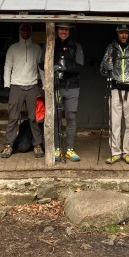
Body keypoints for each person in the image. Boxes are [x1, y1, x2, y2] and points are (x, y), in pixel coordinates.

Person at [39, 23, 84, 162]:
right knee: (56, 118)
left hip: (72, 87)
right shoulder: (50, 44)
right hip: (55, 86)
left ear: (70, 31)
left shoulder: (76, 45)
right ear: (56, 30)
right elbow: (41, 63)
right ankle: (57, 149)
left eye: (66, 29)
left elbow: (80, 66)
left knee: (71, 117)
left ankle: (70, 149)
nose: (64, 32)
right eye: (61, 29)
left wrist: (64, 68)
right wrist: (52, 66)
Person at [1, 24, 44, 159]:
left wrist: (44, 84)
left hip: (32, 85)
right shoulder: (13, 48)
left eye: (28, 29)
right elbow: (7, 67)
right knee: (13, 117)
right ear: (20, 31)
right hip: (16, 85)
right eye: (23, 29)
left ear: (31, 31)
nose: (25, 32)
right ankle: (8, 145)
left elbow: (41, 67)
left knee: (34, 117)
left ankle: (37, 144)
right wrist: (7, 85)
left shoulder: (36, 48)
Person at [100, 25, 129, 165]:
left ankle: (128, 153)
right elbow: (102, 70)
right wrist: (106, 67)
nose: (123, 35)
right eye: (121, 33)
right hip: (115, 88)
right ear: (117, 34)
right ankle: (115, 153)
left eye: (126, 33)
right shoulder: (111, 48)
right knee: (114, 123)